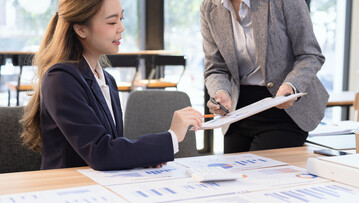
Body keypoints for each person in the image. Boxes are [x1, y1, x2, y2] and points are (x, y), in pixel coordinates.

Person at [21, 0, 202, 171]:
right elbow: (101, 153)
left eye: (121, 19)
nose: (121, 28)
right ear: (81, 29)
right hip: (68, 190)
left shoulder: (107, 80)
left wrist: (142, 158)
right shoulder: (60, 79)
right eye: (112, 22)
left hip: (100, 186)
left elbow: (111, 149)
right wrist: (172, 136)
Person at [201, 0, 329, 153]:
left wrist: (291, 85)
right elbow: (215, 67)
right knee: (231, 174)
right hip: (237, 114)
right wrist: (221, 92)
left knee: (260, 174)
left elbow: (310, 55)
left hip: (285, 113)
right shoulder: (209, 7)